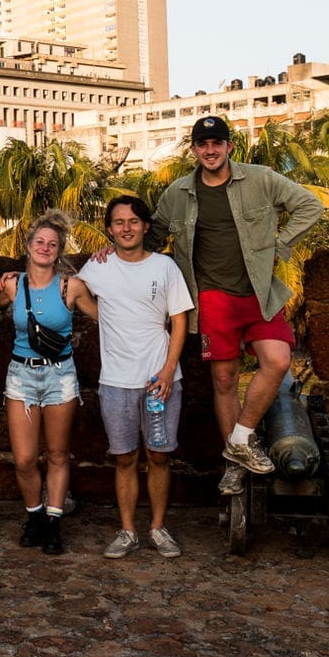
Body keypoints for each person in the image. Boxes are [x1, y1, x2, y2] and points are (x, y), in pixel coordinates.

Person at [146, 115, 324, 496]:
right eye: (202, 144)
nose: (210, 151)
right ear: (194, 150)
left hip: (259, 293)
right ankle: (235, 468)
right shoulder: (177, 193)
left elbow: (309, 206)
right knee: (224, 380)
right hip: (212, 297)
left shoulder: (260, 179)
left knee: (277, 361)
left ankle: (240, 439)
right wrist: (108, 259)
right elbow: (151, 236)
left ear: (229, 146)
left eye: (217, 143)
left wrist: (280, 245)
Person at [76, 196, 194, 558]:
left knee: (159, 456)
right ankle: (127, 531)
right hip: (115, 382)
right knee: (124, 458)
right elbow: (74, 290)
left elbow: (179, 320)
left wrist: (168, 369)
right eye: (118, 222)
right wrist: (103, 317)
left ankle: (158, 528)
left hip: (159, 381)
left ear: (145, 226)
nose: (126, 228)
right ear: (109, 228)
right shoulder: (98, 266)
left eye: (133, 221)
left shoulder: (164, 267)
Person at [0, 212, 87, 556]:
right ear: (28, 246)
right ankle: (34, 514)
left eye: (52, 244)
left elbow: (107, 314)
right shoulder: (11, 285)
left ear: (59, 250)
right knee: (24, 459)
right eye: (39, 242)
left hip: (60, 374)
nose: (45, 248)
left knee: (59, 455)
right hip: (21, 375)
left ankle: (53, 522)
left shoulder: (70, 286)